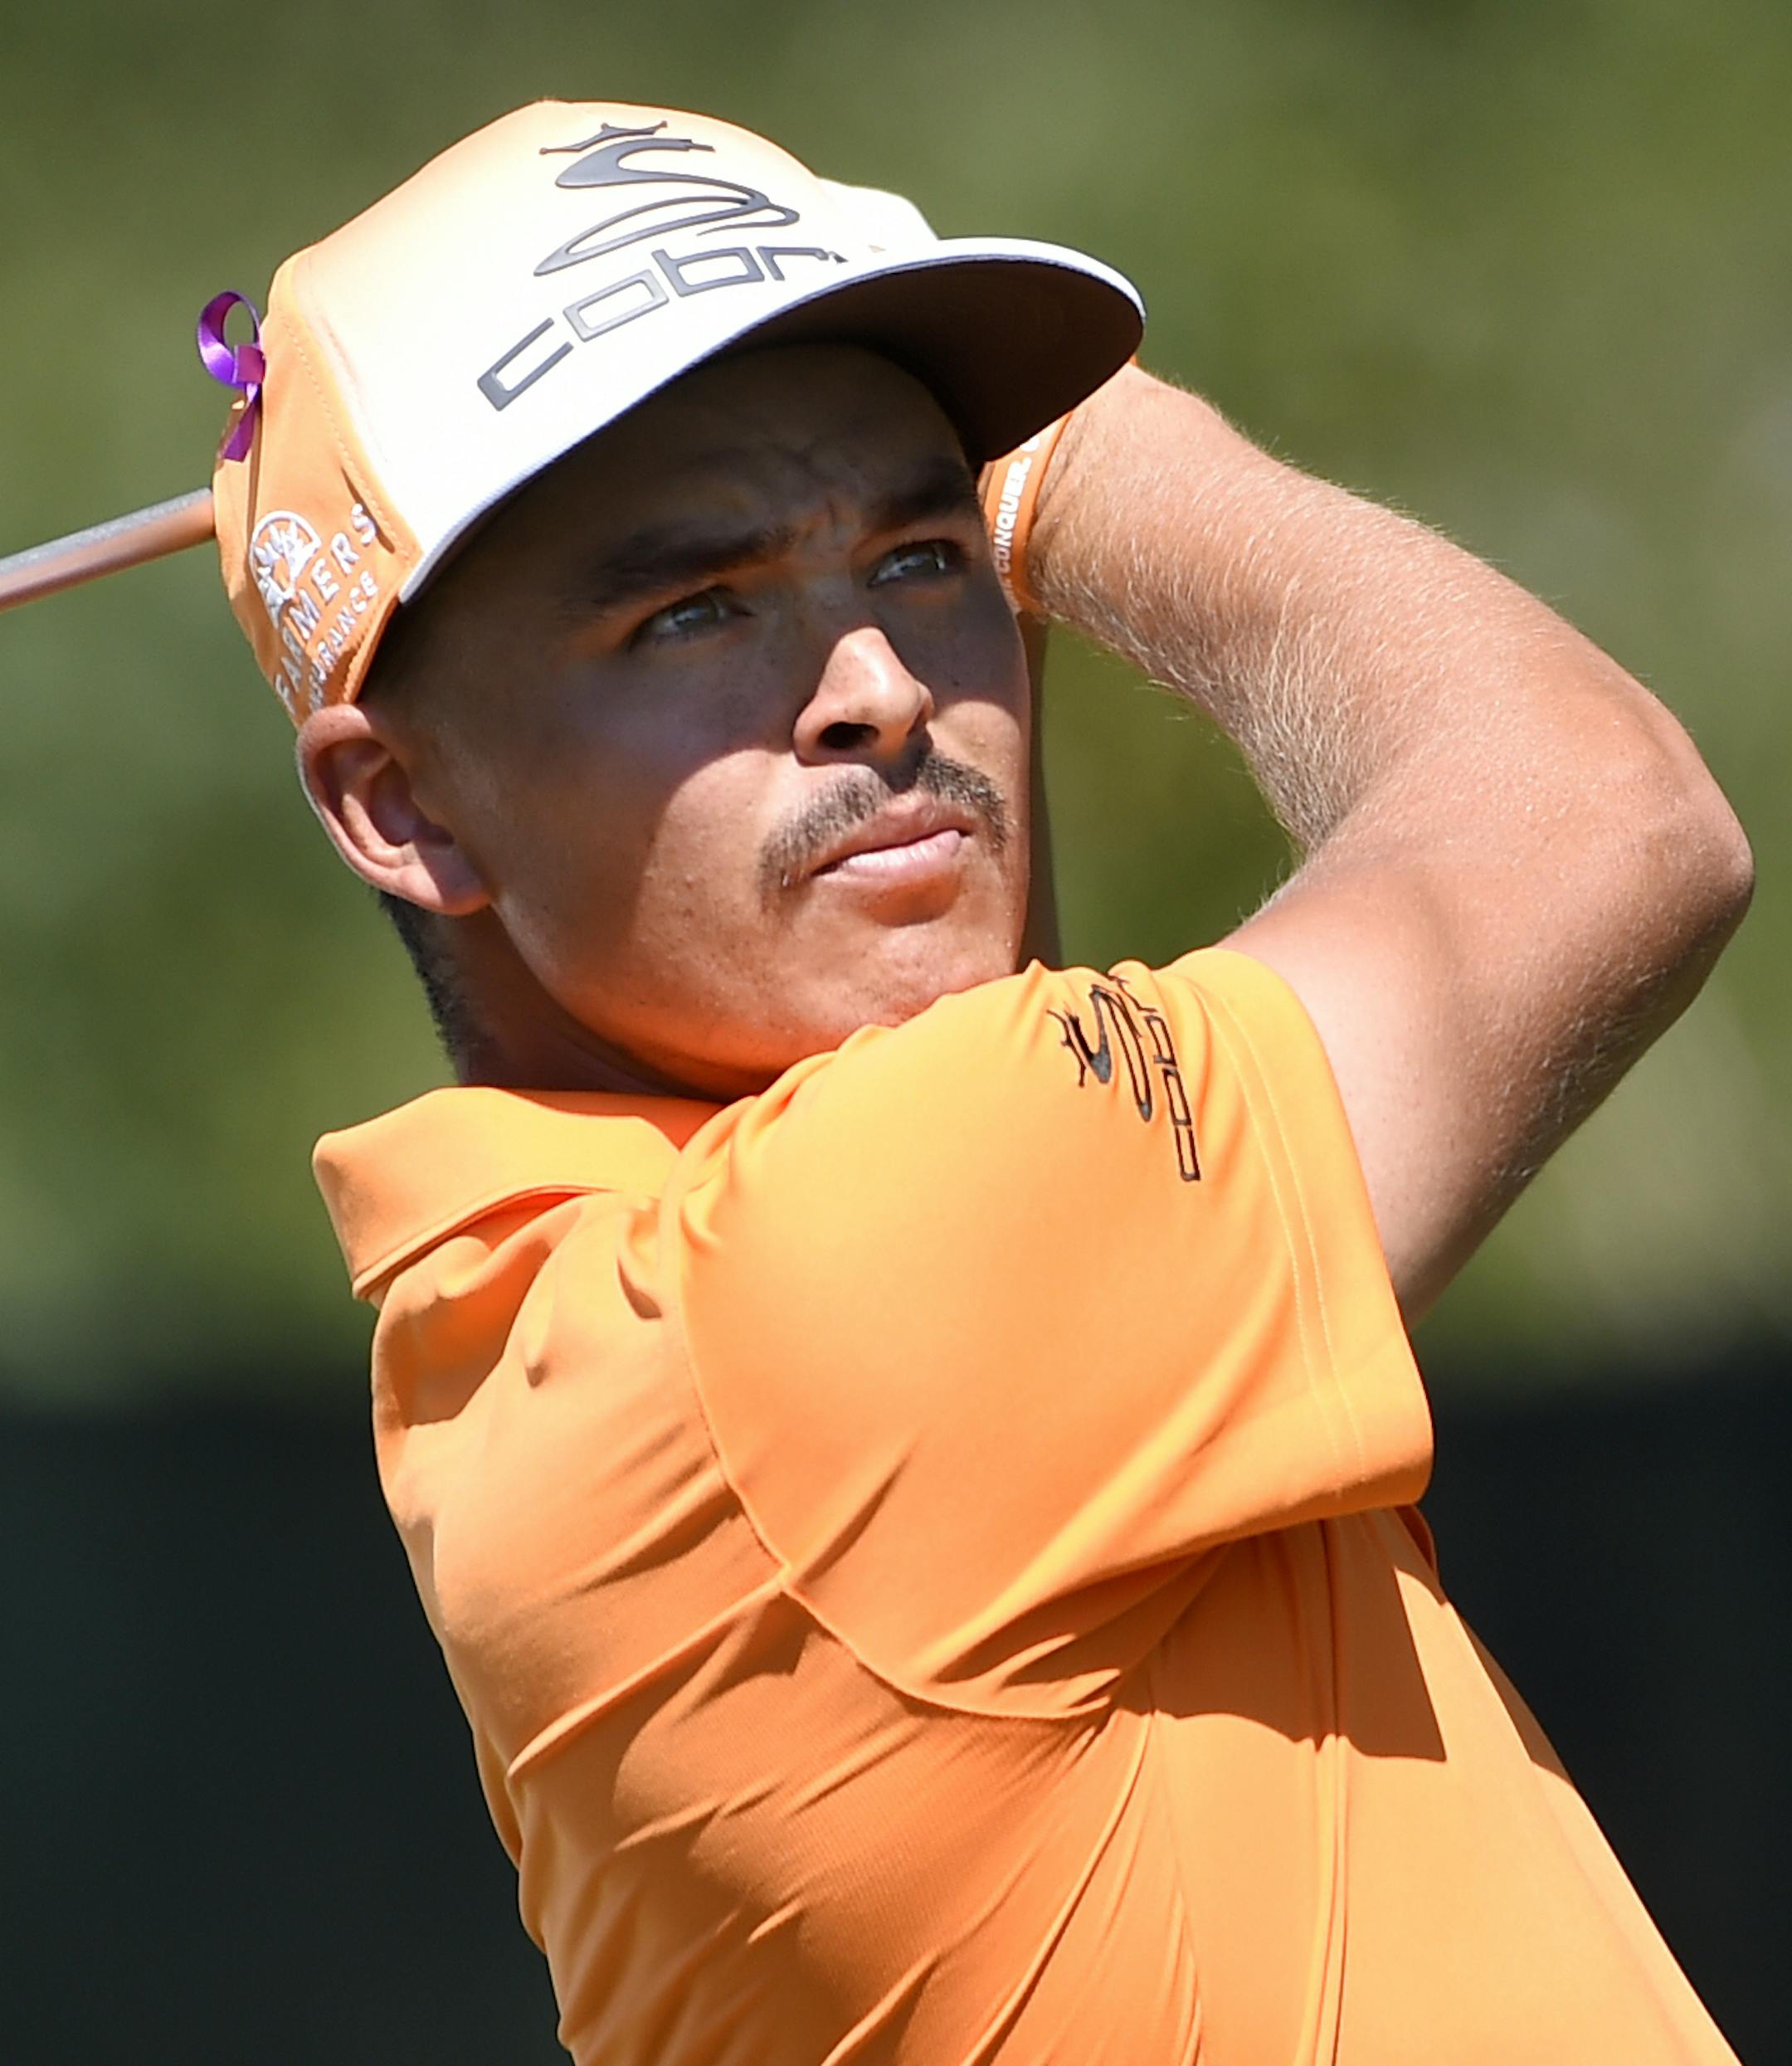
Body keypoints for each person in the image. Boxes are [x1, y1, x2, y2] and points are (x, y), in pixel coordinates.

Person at [208, 100, 1751, 2062]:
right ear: (402, 801)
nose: (877, 682)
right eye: (695, 610)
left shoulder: (549, 1326)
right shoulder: (806, 1296)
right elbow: (1608, 817)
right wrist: (1096, 461)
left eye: (925, 554)